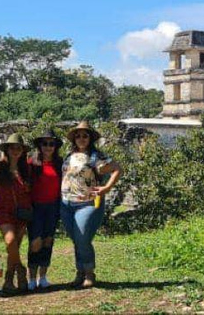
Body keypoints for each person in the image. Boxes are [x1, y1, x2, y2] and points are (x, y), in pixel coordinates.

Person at [60, 121, 121, 288]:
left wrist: (107, 188)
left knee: (82, 238)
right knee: (76, 240)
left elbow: (117, 168)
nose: (81, 138)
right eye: (78, 135)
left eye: (84, 135)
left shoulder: (96, 157)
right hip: (66, 204)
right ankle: (80, 272)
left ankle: (89, 273)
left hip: (87, 203)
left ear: (90, 138)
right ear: (74, 139)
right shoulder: (68, 155)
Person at [0, 133, 33, 294]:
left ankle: (8, 280)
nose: (15, 150)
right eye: (12, 147)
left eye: (18, 148)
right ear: (7, 150)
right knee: (10, 242)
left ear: (23, 151)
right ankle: (21, 270)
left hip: (22, 212)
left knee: (14, 247)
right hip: (3, 211)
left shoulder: (27, 169)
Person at [27, 129, 63, 291]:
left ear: (55, 146)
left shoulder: (60, 163)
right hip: (36, 207)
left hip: (53, 206)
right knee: (35, 242)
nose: (48, 147)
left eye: (51, 144)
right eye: (45, 143)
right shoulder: (31, 163)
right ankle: (31, 278)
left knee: (48, 240)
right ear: (39, 146)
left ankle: (43, 276)